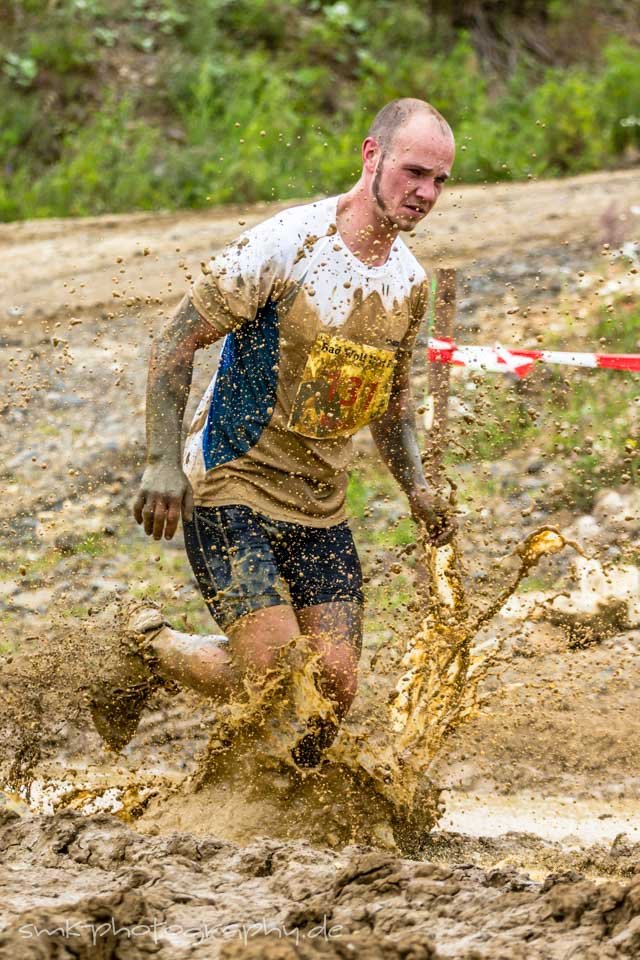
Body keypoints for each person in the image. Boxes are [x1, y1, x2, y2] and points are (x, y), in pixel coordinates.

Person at [90, 97, 457, 765]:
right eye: (414, 172)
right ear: (371, 156)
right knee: (282, 682)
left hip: (320, 500)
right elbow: (175, 340)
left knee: (334, 691)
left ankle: (253, 789)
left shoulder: (410, 283)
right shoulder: (287, 243)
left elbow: (393, 404)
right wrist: (159, 463)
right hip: (232, 481)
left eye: (439, 180)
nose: (425, 193)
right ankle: (148, 645)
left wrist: (419, 489)